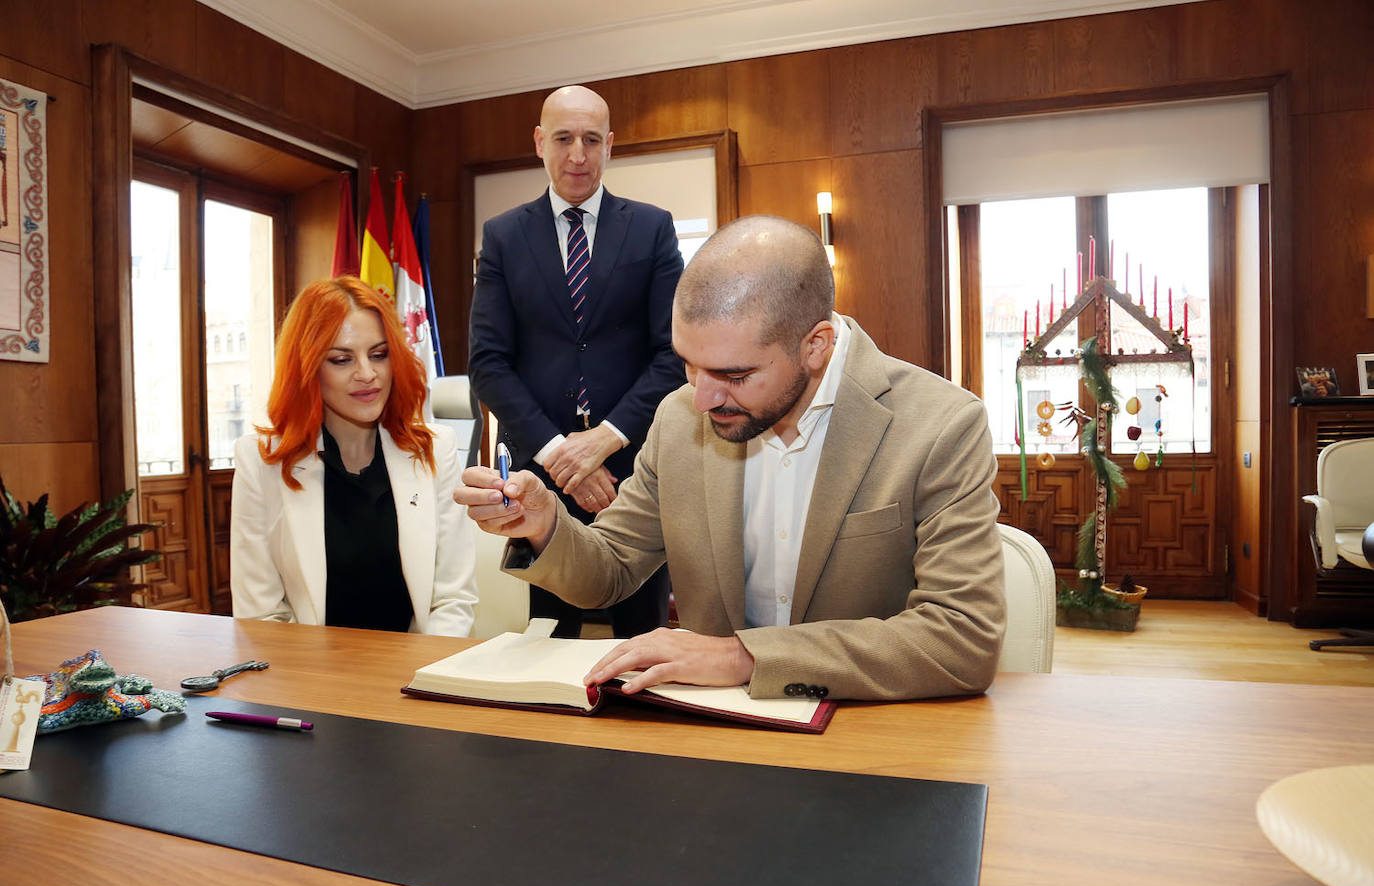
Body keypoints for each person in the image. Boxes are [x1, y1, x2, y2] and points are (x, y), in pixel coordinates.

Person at [457, 216, 1006, 701]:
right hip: (711, 748)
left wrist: (743, 657)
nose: (701, 399)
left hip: (873, 750)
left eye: (735, 376)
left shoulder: (941, 426)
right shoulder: (679, 420)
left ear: (815, 346)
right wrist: (546, 525)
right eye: (690, 366)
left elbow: (961, 637)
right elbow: (613, 568)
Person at [468, 84, 684, 638]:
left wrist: (606, 438)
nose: (578, 155)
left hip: (633, 473)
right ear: (540, 142)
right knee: (547, 637)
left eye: (592, 140)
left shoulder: (652, 228)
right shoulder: (503, 236)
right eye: (563, 138)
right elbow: (489, 363)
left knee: (642, 639)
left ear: (610, 145)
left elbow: (673, 353)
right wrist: (561, 455)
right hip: (538, 481)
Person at [231, 276, 478, 636]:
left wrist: (421, 679)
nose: (368, 374)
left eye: (379, 355)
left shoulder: (436, 449)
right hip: (308, 679)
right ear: (308, 368)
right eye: (341, 359)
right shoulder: (261, 461)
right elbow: (261, 617)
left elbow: (452, 601)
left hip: (417, 672)